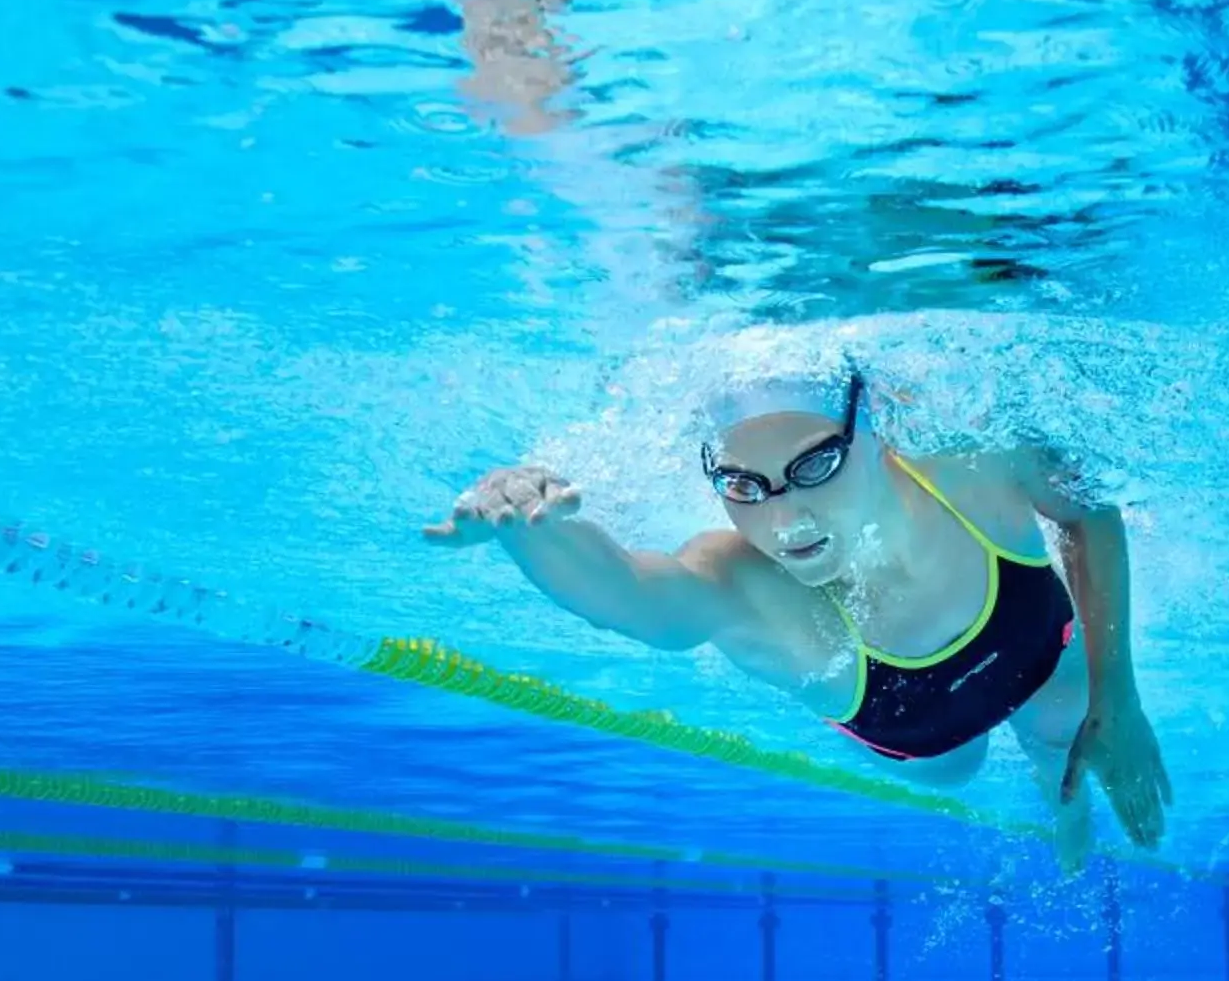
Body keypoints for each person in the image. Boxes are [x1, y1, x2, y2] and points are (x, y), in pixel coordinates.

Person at [423, 366, 1171, 866]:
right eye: (745, 486)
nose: (784, 521)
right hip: (919, 731)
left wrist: (1123, 703)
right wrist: (532, 530)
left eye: (815, 466)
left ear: (876, 433)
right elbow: (636, 599)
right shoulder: (740, 581)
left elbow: (1088, 513)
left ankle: (1068, 822)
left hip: (1037, 652)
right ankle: (1062, 808)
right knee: (959, 771)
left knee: (1065, 734)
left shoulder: (972, 462)